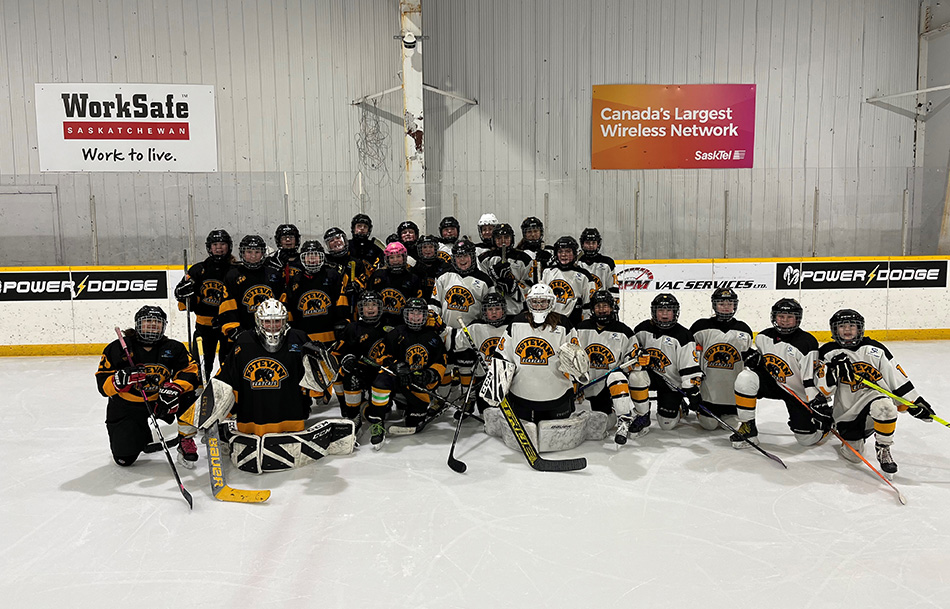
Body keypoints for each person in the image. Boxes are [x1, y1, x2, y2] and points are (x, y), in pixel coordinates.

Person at [208, 298, 355, 473]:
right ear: (258, 321)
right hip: (252, 421)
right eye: (267, 322)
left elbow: (317, 382)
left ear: (284, 321)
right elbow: (227, 377)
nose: (272, 326)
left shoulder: (298, 338)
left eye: (277, 321)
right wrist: (211, 406)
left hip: (291, 417)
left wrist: (319, 362)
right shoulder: (245, 341)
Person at [806, 309, 936, 474]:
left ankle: (883, 448)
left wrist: (914, 402)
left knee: (885, 407)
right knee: (854, 456)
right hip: (847, 409)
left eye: (852, 326)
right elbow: (824, 389)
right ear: (834, 330)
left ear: (860, 328)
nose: (847, 330)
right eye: (842, 326)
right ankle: (852, 433)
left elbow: (895, 377)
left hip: (874, 398)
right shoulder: (828, 352)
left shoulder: (875, 349)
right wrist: (833, 371)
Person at [95, 306, 200, 468]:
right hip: (127, 405)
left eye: (157, 322)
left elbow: (191, 372)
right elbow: (102, 385)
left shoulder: (173, 348)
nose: (152, 325)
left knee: (189, 394)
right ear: (138, 325)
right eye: (147, 321)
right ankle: (139, 432)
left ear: (164, 326)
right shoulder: (117, 348)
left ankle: (186, 439)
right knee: (124, 459)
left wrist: (175, 387)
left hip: (161, 401)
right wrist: (118, 380)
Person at [733, 298, 827, 448]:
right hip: (774, 384)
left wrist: (816, 402)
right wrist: (756, 362)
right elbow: (764, 365)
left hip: (797, 392)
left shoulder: (807, 342)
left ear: (797, 319)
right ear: (774, 317)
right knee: (746, 378)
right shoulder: (763, 337)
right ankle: (748, 428)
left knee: (806, 440)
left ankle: (826, 428)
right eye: (781, 316)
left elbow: (809, 377)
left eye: (790, 317)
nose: (785, 321)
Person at [366, 298, 448, 448]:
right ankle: (377, 420)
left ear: (425, 316)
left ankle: (404, 403)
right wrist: (396, 366)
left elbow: (441, 363)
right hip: (396, 378)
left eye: (419, 314)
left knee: (413, 422)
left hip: (416, 384)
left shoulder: (433, 337)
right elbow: (382, 357)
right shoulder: (396, 333)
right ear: (405, 315)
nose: (415, 317)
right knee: (380, 382)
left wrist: (429, 374)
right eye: (412, 313)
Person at [575, 290, 649, 435]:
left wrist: (637, 358)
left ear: (612, 307)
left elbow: (630, 358)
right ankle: (614, 412)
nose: (602, 310)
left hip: (613, 383)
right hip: (591, 383)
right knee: (604, 423)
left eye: (605, 306)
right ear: (592, 309)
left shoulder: (624, 331)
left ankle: (625, 418)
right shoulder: (581, 328)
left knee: (619, 376)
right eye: (598, 306)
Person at [429, 239, 495, 400]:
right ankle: (441, 399)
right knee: (445, 366)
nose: (462, 260)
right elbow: (435, 302)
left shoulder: (485, 280)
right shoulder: (444, 276)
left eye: (466, 256)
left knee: (467, 367)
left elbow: (490, 310)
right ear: (453, 258)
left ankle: (468, 400)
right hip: (445, 330)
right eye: (459, 257)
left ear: (473, 257)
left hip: (469, 333)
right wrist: (433, 318)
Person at [633, 293, 703, 432]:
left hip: (671, 383)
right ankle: (643, 414)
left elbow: (689, 367)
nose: (664, 315)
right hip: (650, 377)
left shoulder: (683, 336)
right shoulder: (642, 329)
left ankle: (679, 406)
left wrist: (692, 393)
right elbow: (632, 351)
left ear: (675, 312)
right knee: (635, 377)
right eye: (660, 311)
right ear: (654, 312)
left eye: (669, 311)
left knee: (666, 424)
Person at [689, 288, 753, 431]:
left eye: (729, 304)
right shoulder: (700, 327)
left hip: (731, 394)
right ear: (714, 305)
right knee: (709, 425)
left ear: (735, 306)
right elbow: (690, 355)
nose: (726, 307)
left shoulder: (744, 330)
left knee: (730, 426)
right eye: (721, 303)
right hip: (708, 391)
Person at [175, 228, 234, 378]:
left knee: (229, 366)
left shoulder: (235, 270)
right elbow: (184, 299)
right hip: (204, 328)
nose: (219, 248)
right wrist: (181, 293)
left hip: (228, 328)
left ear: (229, 246)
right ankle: (198, 394)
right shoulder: (198, 270)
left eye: (222, 244)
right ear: (209, 247)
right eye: (215, 244)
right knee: (200, 367)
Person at [444, 292, 510, 413]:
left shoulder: (512, 326)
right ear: (484, 311)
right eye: (490, 309)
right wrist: (441, 330)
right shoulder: (476, 327)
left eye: (497, 309)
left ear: (504, 309)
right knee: (486, 412)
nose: (494, 312)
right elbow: (454, 342)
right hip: (483, 378)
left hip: (508, 378)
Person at [332, 290, 389, 429]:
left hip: (382, 373)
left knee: (382, 411)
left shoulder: (389, 327)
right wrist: (347, 359)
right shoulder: (352, 328)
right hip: (361, 371)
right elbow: (340, 352)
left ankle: (370, 408)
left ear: (380, 306)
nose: (370, 308)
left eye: (374, 304)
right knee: (348, 376)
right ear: (360, 308)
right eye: (366, 305)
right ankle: (352, 414)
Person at [282, 240, 350, 347]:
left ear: (322, 257)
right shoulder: (295, 280)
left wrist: (342, 324)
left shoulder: (332, 275)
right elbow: (289, 309)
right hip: (304, 339)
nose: (312, 259)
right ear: (302, 258)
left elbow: (341, 303)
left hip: (330, 337)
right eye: (309, 256)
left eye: (316, 255)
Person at [219, 234, 277, 348]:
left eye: (257, 252)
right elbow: (227, 306)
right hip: (241, 335)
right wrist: (233, 329)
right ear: (242, 253)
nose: (253, 256)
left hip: (271, 335)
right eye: (249, 252)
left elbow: (282, 304)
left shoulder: (274, 275)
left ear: (263, 253)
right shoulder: (232, 276)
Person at [365, 241, 424, 329]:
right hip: (379, 323)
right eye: (392, 257)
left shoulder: (413, 278)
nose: (395, 260)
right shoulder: (378, 275)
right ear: (387, 259)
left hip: (403, 325)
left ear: (404, 257)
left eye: (398, 256)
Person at [540, 235, 596, 326]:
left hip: (573, 322)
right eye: (560, 251)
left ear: (574, 254)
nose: (563, 255)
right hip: (550, 321)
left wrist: (585, 325)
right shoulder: (548, 272)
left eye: (568, 251)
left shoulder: (584, 276)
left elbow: (588, 305)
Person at [477, 223, 532, 316]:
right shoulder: (484, 259)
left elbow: (530, 286)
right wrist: (493, 276)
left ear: (512, 239)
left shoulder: (524, 259)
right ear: (493, 239)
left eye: (506, 238)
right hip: (492, 312)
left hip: (516, 310)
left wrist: (512, 285)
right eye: (498, 238)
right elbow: (481, 285)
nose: (502, 241)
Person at [576, 227, 619, 301]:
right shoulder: (577, 263)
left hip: (601, 307)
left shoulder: (608, 263)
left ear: (598, 244)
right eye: (587, 243)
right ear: (582, 244)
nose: (591, 245)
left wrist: (614, 306)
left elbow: (613, 288)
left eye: (593, 243)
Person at [264, 223, 303, 291]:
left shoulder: (304, 260)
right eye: (284, 238)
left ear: (296, 240)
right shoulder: (271, 261)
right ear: (279, 241)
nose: (288, 240)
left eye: (291, 237)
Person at [412, 234, 452, 299]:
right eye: (424, 247)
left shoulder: (445, 266)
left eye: (431, 247)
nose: (428, 250)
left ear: (435, 249)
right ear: (420, 249)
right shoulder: (416, 268)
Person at [517, 216, 553, 283]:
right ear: (524, 234)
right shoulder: (519, 254)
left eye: (536, 231)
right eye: (529, 232)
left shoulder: (550, 251)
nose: (533, 234)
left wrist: (547, 264)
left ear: (541, 232)